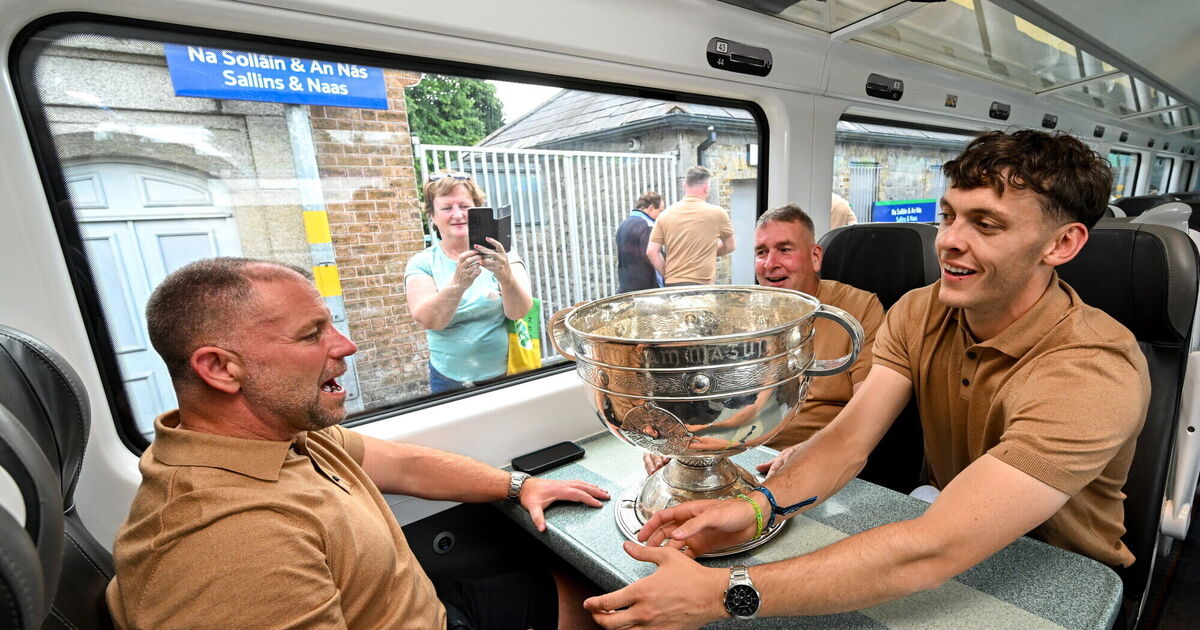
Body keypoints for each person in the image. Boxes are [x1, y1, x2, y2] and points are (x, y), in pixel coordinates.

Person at [584, 130, 1149, 627]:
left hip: (1062, 581)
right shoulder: (920, 310)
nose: (949, 240)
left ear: (1062, 243)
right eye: (949, 215)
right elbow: (848, 441)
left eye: (987, 224)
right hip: (954, 536)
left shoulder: (1092, 369)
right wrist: (757, 508)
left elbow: (932, 549)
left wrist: (723, 595)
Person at [106, 257, 609, 630]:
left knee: (607, 604)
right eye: (311, 335)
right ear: (219, 368)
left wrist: (517, 485)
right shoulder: (228, 545)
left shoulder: (287, 435)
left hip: (431, 611)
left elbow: (405, 465)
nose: (346, 346)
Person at [644, 204, 883, 473]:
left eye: (784, 249)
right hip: (739, 454)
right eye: (761, 252)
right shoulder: (737, 314)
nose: (770, 264)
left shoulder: (858, 309)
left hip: (823, 460)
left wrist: (813, 451)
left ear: (815, 257)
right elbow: (709, 399)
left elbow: (869, 409)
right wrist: (671, 436)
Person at [405, 172, 534, 393]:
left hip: (504, 372)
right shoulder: (422, 263)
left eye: (465, 206)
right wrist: (458, 284)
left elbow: (519, 312)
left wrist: (506, 277)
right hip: (448, 378)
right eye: (446, 208)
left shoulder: (505, 255)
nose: (458, 215)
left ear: (477, 211)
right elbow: (430, 320)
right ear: (433, 217)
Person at [647, 165, 735, 286]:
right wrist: (706, 251)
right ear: (707, 188)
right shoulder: (717, 214)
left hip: (673, 286)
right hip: (702, 285)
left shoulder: (665, 215)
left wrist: (667, 274)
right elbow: (730, 246)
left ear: (684, 186)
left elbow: (651, 251)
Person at [616, 191, 665, 293]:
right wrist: (667, 276)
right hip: (646, 290)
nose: (661, 216)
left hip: (627, 287)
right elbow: (652, 254)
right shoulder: (648, 226)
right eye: (660, 211)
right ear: (651, 208)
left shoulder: (623, 225)